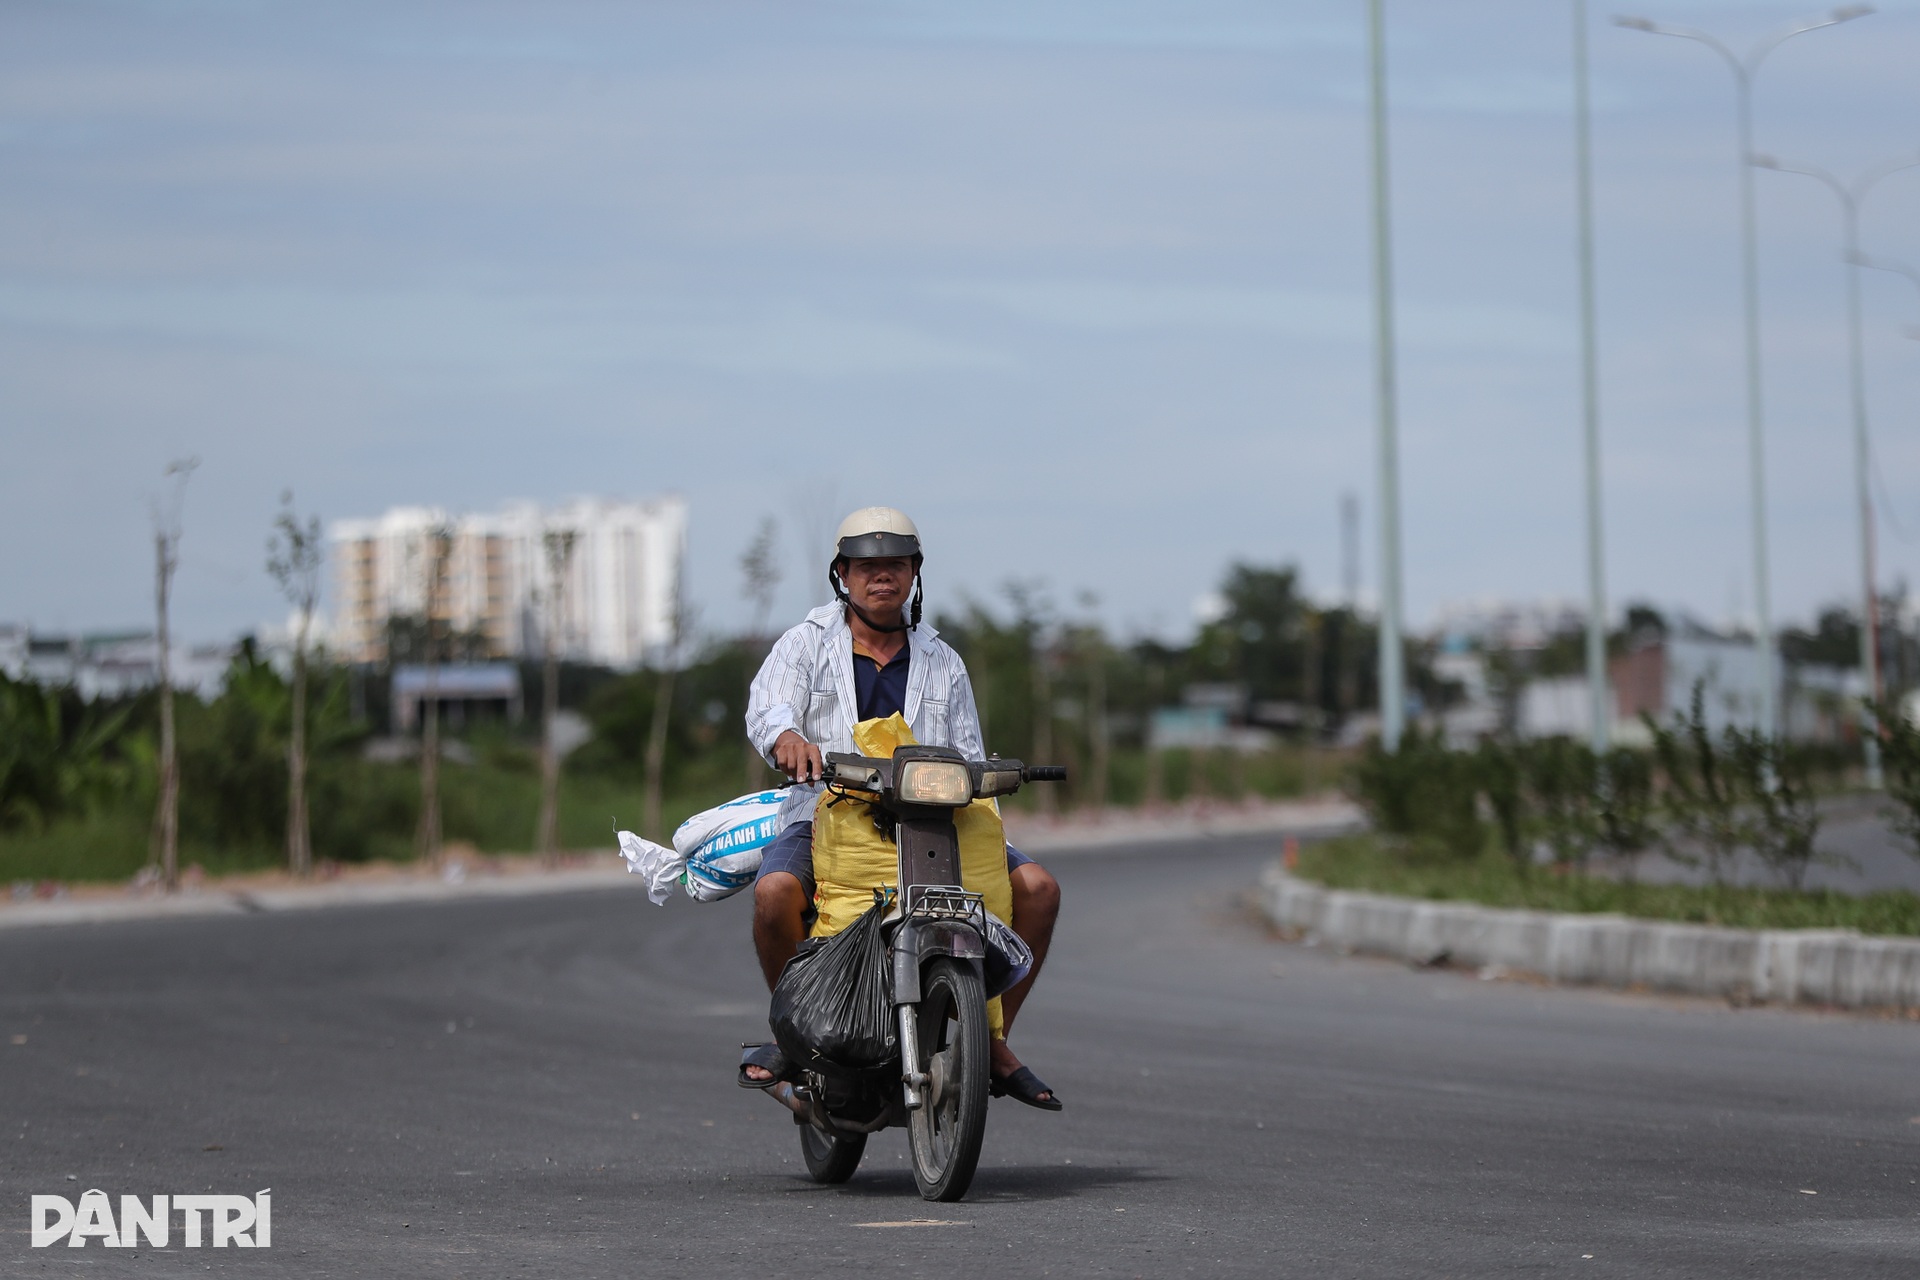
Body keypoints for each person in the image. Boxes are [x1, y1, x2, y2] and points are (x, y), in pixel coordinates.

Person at [738, 506, 1062, 1110]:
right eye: (867, 566)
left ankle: (990, 1039)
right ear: (842, 575)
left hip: (934, 819)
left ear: (914, 573)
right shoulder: (804, 645)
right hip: (822, 814)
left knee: (1039, 888)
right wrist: (786, 739)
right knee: (775, 892)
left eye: (895, 564)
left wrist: (989, 775)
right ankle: (795, 1031)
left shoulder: (943, 659)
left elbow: (966, 750)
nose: (881, 576)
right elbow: (768, 709)